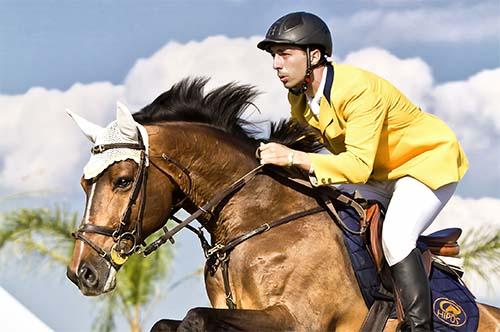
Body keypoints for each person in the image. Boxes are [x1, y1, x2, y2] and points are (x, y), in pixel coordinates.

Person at [257, 11, 468, 332]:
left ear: (314, 55)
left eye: (285, 54)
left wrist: (290, 158)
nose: (276, 64)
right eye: (274, 56)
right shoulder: (300, 99)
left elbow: (355, 165)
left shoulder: (356, 89)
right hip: (380, 174)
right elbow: (313, 150)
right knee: (326, 215)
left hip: (425, 163)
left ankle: (418, 327)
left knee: (396, 238)